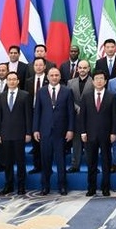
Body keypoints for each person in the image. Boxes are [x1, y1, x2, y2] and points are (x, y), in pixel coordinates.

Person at [33, 67, 74, 196]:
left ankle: (62, 186)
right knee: (45, 160)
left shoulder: (67, 91)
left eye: (57, 75)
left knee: (61, 160)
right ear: (48, 77)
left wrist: (70, 129)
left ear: (60, 77)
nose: (54, 77)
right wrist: (35, 129)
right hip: (44, 131)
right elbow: (37, 112)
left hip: (61, 132)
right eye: (52, 75)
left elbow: (71, 113)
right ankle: (45, 187)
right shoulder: (41, 91)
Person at [79, 69, 116, 196]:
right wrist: (83, 132)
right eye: (97, 79)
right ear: (93, 81)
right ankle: (91, 188)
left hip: (106, 134)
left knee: (106, 162)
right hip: (90, 134)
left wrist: (113, 132)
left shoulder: (112, 96)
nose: (99, 81)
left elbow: (115, 116)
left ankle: (105, 188)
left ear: (105, 81)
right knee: (91, 162)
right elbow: (82, 116)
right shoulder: (86, 96)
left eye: (102, 78)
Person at [0, 71, 31, 195]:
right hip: (5, 133)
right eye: (9, 79)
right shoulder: (1, 96)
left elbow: (28, 115)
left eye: (14, 79)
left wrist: (28, 133)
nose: (11, 81)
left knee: (20, 161)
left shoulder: (25, 95)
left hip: (20, 133)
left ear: (18, 81)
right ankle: (8, 185)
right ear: (6, 81)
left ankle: (21, 186)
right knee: (7, 161)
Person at [24, 56, 49, 174]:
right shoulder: (28, 81)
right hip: (32, 113)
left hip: (46, 114)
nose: (38, 67)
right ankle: (37, 166)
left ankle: (46, 166)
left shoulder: (49, 80)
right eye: (36, 65)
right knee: (35, 142)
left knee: (46, 141)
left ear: (45, 66)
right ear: (33, 67)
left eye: (40, 65)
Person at [67, 59, 93, 173]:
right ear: (77, 69)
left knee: (90, 143)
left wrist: (86, 109)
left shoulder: (94, 82)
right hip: (75, 116)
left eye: (85, 68)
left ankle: (92, 164)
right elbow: (68, 99)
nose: (82, 70)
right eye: (80, 68)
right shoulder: (70, 82)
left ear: (89, 69)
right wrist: (78, 108)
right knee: (76, 142)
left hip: (90, 117)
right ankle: (75, 165)